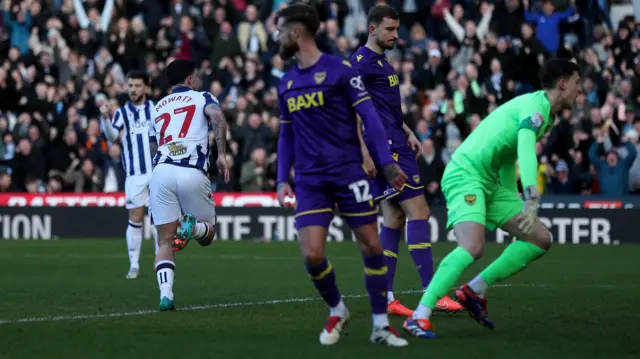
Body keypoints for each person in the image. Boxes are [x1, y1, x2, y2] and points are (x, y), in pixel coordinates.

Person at [402, 59, 582, 338]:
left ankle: (473, 290)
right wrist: (531, 197)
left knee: (540, 239)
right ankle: (418, 316)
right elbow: (524, 148)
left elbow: (508, 159)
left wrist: (513, 204)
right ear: (563, 83)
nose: (579, 89)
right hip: (466, 174)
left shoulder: (548, 116)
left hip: (490, 180)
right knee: (473, 246)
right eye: (576, 83)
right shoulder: (537, 107)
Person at [275, 4, 408, 347]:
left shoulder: (341, 71)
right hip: (310, 180)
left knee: (371, 244)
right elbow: (286, 134)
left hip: (349, 174)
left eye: (279, 29)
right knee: (312, 255)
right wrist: (281, 178)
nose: (276, 36)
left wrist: (386, 163)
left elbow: (371, 119)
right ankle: (338, 308)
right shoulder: (286, 83)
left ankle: (380, 324)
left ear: (296, 32)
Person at [352, 5, 462, 316]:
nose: (396, 35)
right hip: (387, 149)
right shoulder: (361, 63)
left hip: (395, 141)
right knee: (419, 210)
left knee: (394, 218)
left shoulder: (380, 62)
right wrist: (362, 152)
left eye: (397, 29)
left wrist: (409, 129)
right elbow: (348, 107)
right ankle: (432, 292)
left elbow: (384, 108)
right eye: (389, 29)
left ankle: (386, 297)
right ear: (372, 29)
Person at [148, 59, 230, 311]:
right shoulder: (201, 96)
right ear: (189, 80)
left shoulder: (158, 106)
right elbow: (218, 118)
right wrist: (222, 154)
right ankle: (193, 229)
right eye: (196, 76)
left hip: (161, 171)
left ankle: (166, 296)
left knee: (164, 241)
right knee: (209, 235)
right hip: (190, 169)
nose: (199, 79)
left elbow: (153, 144)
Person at [100, 70, 158, 279]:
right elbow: (111, 136)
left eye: (137, 85)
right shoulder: (122, 113)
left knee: (159, 218)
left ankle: (160, 257)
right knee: (135, 218)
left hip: (157, 172)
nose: (133, 90)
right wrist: (105, 117)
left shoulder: (156, 110)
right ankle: (134, 264)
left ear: (146, 87)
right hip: (134, 174)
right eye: (130, 85)